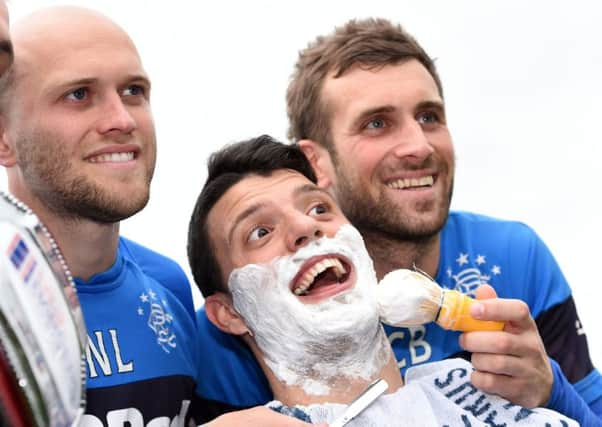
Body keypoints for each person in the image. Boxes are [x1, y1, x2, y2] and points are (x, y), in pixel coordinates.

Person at [194, 18, 602, 425]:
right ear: (316, 162)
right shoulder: (230, 330)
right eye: (377, 124)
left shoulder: (510, 257)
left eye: (429, 117)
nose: (419, 146)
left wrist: (552, 390)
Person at [0, 6, 319, 427]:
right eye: (78, 95)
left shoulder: (167, 284)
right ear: (4, 139)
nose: (121, 119)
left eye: (133, 91)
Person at [187, 134, 578, 426]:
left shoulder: (482, 396)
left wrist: (554, 389)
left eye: (320, 207)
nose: (307, 226)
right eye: (260, 232)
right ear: (229, 314)